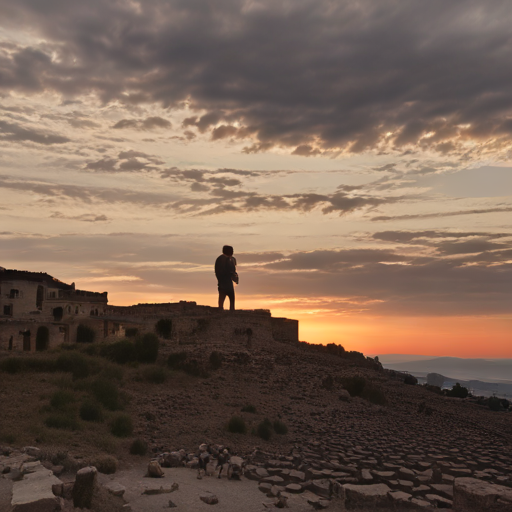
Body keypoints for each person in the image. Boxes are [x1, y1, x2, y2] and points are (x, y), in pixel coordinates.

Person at [215, 245, 238, 311]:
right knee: (225, 299)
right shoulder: (223, 259)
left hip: (226, 282)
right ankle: (224, 311)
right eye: (231, 250)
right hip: (224, 283)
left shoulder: (230, 259)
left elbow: (232, 270)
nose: (232, 252)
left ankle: (229, 311)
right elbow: (224, 271)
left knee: (228, 299)